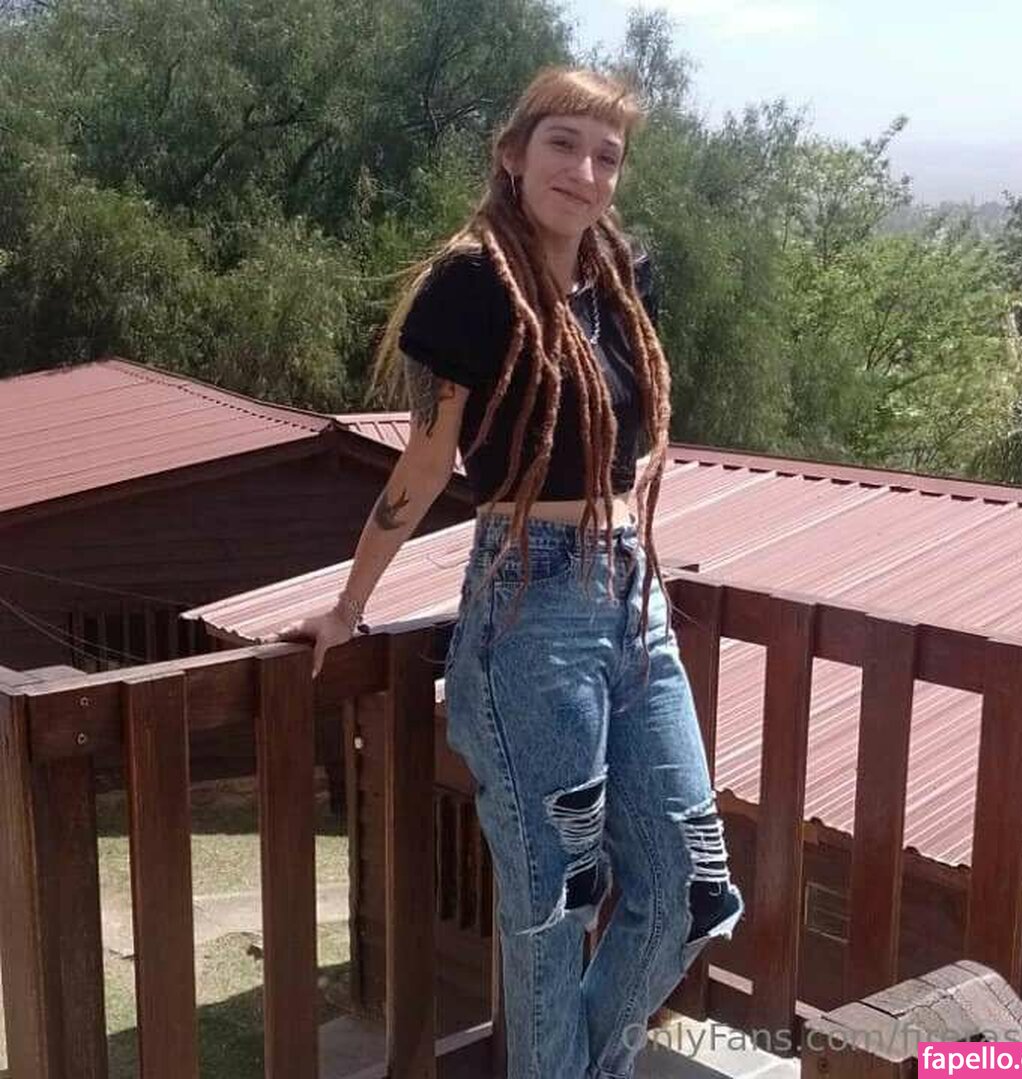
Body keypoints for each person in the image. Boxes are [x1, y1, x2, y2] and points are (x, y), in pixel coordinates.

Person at [263, 64, 744, 1079]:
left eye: (607, 155)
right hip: (532, 607)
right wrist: (349, 604)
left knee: (690, 885)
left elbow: (629, 426)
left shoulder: (623, 274)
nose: (585, 172)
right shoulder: (471, 286)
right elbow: (425, 462)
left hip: (633, 596)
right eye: (564, 144)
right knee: (555, 905)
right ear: (514, 153)